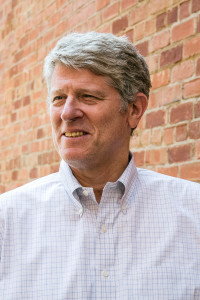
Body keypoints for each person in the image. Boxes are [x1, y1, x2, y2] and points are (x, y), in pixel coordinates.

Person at [0, 31, 200, 300]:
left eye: (88, 96)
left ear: (134, 109)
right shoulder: (7, 221)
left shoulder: (193, 213)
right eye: (58, 98)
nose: (68, 113)